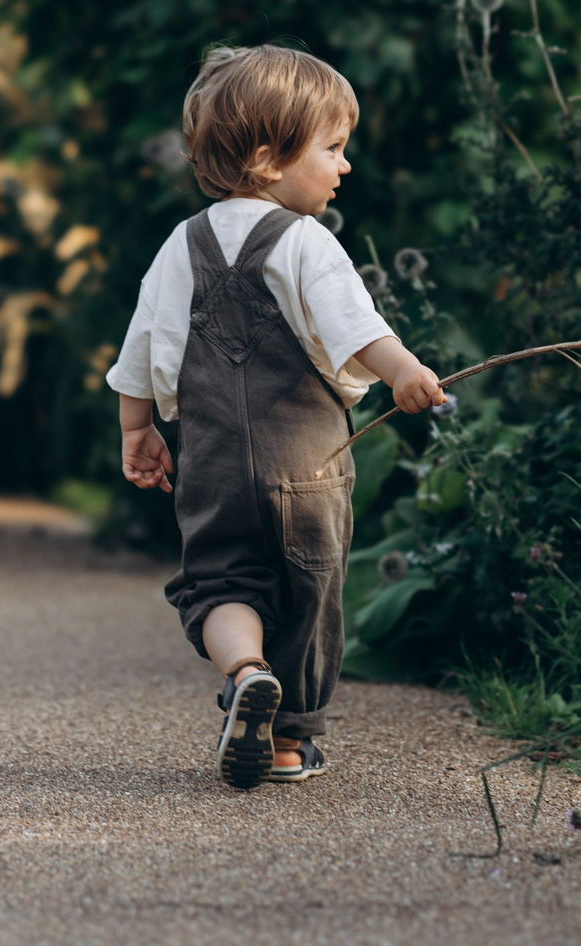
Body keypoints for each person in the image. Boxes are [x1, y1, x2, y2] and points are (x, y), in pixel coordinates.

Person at [109, 46, 446, 790]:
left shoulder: (180, 245)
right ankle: (290, 742)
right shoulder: (305, 243)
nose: (343, 166)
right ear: (268, 159)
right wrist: (405, 373)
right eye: (332, 148)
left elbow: (141, 347)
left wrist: (139, 430)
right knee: (307, 592)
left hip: (213, 466)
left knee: (221, 584)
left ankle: (246, 672)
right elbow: (358, 328)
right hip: (308, 466)